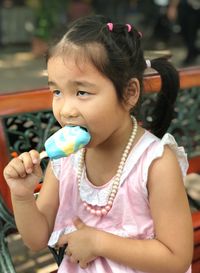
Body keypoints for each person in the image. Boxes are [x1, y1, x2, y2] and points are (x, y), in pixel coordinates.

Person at [3, 15, 193, 273]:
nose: (66, 110)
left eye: (82, 92)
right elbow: (36, 239)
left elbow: (176, 258)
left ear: (129, 93)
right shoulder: (66, 159)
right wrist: (23, 195)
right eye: (57, 92)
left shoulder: (155, 164)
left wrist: (100, 242)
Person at [167, 0, 200, 65]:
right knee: (184, 32)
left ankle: (192, 53)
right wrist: (173, 7)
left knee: (192, 33)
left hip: (196, 8)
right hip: (185, 7)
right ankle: (194, 51)